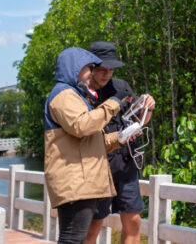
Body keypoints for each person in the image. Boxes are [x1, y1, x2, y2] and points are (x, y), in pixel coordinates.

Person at [44, 47, 132, 244]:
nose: (91, 73)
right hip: (76, 180)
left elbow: (89, 140)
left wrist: (119, 138)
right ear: (74, 68)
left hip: (78, 180)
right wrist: (114, 103)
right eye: (88, 68)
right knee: (73, 238)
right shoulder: (63, 94)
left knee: (73, 237)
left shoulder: (72, 94)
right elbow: (82, 126)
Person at [82, 41, 155, 244]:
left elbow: (139, 120)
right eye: (102, 70)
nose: (106, 74)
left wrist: (148, 107)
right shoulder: (82, 93)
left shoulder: (121, 86)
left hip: (125, 163)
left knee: (133, 220)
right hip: (98, 166)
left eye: (111, 69)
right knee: (94, 224)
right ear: (91, 68)